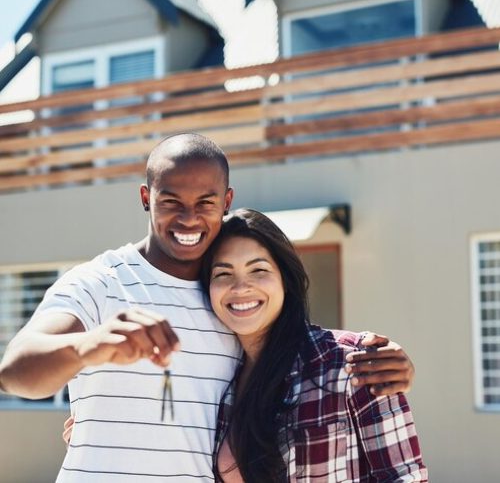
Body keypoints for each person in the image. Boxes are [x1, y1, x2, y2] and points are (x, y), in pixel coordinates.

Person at [0, 134, 415, 481]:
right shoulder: (100, 281)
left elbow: (292, 359)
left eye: (205, 202)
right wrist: (90, 348)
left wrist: (380, 361)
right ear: (146, 197)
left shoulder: (230, 308)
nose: (188, 219)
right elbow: (15, 372)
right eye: (170, 201)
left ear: (227, 199)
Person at [199, 208, 427, 482]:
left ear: (285, 279)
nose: (240, 287)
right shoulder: (218, 379)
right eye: (223, 274)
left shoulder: (351, 364)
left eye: (258, 270)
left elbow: (404, 477)